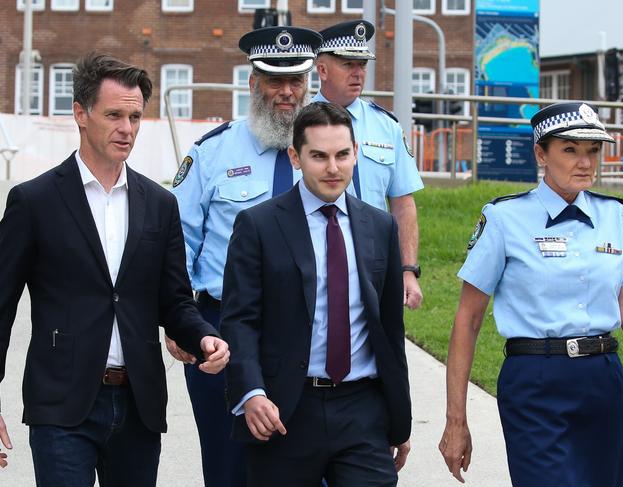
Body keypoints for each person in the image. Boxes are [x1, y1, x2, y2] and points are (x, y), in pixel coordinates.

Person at [0, 53, 229, 486]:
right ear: (80, 115)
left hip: (139, 405)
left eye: (136, 117)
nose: (127, 129)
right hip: (62, 406)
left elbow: (174, 300)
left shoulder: (160, 205)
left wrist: (203, 336)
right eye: (114, 115)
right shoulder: (34, 201)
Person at [438, 102, 623, 486]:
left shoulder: (614, 215)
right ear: (541, 154)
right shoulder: (504, 219)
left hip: (603, 380)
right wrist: (456, 419)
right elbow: (467, 321)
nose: (584, 161)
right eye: (570, 149)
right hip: (535, 380)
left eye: (592, 151)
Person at [220, 102, 411, 486]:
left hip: (362, 409)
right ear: (295, 156)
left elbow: (390, 328)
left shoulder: (380, 226)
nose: (333, 168)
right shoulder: (258, 226)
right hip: (286, 410)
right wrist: (252, 393)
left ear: (356, 152)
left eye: (342, 154)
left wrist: (398, 416)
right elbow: (239, 320)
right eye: (319, 156)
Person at [168, 26, 323, 487]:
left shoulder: (326, 157)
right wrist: (179, 321)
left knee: (309, 470)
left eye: (296, 81)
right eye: (274, 80)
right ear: (253, 84)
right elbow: (175, 242)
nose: (286, 92)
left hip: (308, 338)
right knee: (228, 470)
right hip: (222, 336)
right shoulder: (212, 153)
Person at [314, 20, 425, 310]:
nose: (358, 73)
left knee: (383, 351)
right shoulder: (299, 124)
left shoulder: (385, 125)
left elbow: (402, 202)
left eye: (362, 64)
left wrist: (408, 270)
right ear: (322, 70)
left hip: (377, 264)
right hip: (315, 262)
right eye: (348, 64)